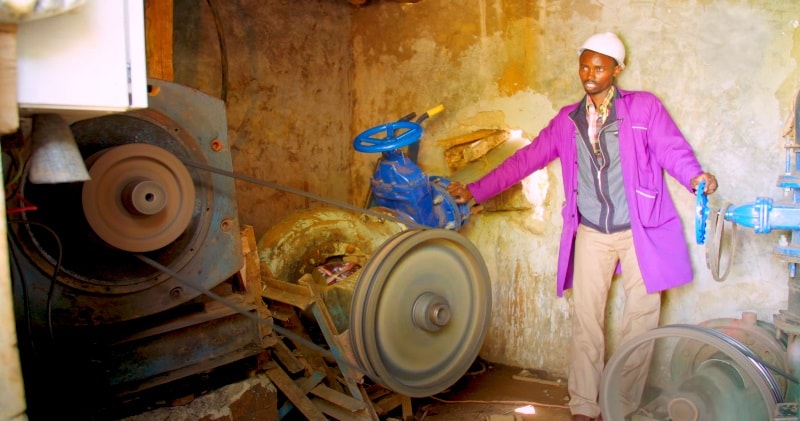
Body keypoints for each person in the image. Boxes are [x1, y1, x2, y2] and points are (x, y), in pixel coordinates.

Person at [447, 32, 718, 421]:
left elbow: (672, 149)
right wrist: (477, 190)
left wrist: (695, 178)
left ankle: (619, 405)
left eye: (600, 67)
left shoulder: (643, 109)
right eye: (585, 66)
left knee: (639, 323)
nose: (590, 74)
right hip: (591, 232)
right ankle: (584, 405)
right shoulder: (566, 121)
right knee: (586, 321)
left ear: (617, 70)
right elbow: (526, 160)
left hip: (640, 230)